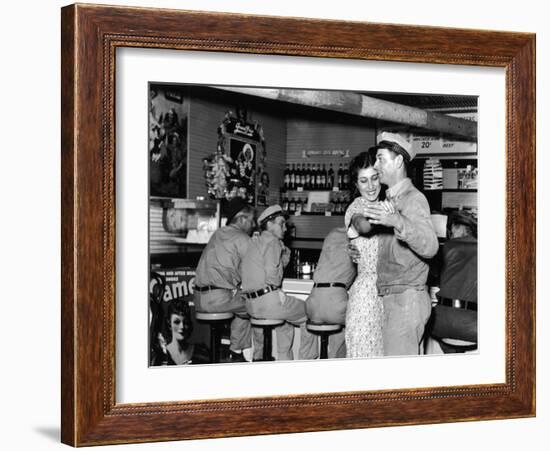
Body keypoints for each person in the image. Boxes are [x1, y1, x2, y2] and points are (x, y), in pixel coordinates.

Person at [362, 132, 439, 356]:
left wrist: (397, 221)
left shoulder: (413, 199)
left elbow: (430, 246)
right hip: (396, 297)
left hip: (407, 300)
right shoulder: (391, 200)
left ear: (398, 162)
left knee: (400, 381)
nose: (375, 166)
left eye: (381, 159)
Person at [241, 205, 317, 361]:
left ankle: (264, 359)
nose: (285, 228)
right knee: (310, 314)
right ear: (269, 225)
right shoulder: (273, 241)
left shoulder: (253, 242)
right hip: (268, 302)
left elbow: (262, 271)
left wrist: (283, 257)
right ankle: (306, 363)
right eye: (281, 223)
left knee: (285, 326)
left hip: (250, 305)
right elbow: (273, 278)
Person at [193, 197, 256, 362]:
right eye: (251, 220)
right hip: (218, 300)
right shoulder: (243, 239)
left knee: (241, 302)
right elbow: (255, 273)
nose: (254, 224)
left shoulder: (218, 233)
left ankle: (236, 352)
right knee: (254, 304)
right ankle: (239, 353)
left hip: (199, 299)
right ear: (242, 219)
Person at [344, 149, 386, 358]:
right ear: (356, 184)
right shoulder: (355, 208)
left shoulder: (386, 204)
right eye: (363, 181)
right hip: (365, 297)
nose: (370, 186)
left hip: (387, 293)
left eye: (374, 178)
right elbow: (363, 225)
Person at [305, 226, 356, 358]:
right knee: (360, 323)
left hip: (312, 306)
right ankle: (336, 363)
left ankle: (307, 360)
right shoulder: (355, 237)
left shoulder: (332, 234)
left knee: (339, 320)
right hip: (335, 305)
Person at [430, 211, 478, 352]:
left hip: (440, 324)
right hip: (474, 327)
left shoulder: (442, 249)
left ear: (452, 230)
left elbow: (433, 277)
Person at [162, 298, 209, 365]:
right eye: (177, 322)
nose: (182, 326)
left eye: (185, 322)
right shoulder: (162, 354)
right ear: (169, 324)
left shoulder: (201, 352)